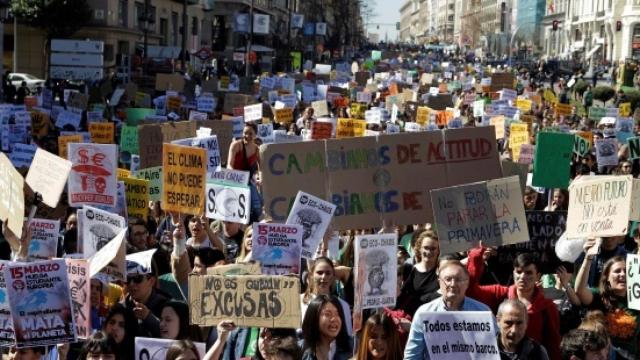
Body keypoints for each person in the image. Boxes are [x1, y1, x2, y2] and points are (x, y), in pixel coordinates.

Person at [466, 249, 561, 360]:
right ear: (513, 273)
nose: (522, 277)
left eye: (528, 272)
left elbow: (554, 343)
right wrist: (477, 258)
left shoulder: (547, 306)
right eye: (519, 272)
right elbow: (470, 291)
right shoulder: (500, 294)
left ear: (538, 276)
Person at [404, 261, 494, 359]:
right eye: (448, 279)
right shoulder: (424, 314)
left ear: (467, 283)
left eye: (458, 279)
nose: (453, 284)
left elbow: (491, 351)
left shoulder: (483, 313)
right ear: (439, 282)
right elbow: (412, 356)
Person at [575, 243, 638, 359]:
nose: (623, 274)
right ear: (607, 277)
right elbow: (580, 291)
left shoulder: (636, 298)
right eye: (617, 271)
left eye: (626, 271)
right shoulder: (599, 296)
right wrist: (588, 257)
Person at [301, 257, 353, 336]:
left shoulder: (343, 305)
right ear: (311, 275)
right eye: (319, 273)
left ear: (333, 276)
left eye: (328, 273)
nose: (324, 277)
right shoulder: (298, 301)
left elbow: (347, 336)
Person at [396, 230, 440, 317]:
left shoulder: (442, 271)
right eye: (426, 248)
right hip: (411, 318)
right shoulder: (408, 270)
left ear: (438, 250)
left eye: (433, 248)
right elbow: (402, 298)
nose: (429, 252)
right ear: (420, 248)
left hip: (434, 319)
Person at [122, 257, 168, 338]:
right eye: (128, 279)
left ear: (151, 281)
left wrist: (148, 318)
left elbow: (172, 337)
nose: (131, 284)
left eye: (137, 278)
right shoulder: (121, 307)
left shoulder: (167, 307)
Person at [228, 123, 262, 222]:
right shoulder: (236, 145)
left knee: (257, 208)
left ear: (255, 134)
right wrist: (234, 174)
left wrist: (260, 178)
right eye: (245, 133)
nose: (247, 136)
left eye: (250, 133)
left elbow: (261, 168)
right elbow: (229, 164)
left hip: (248, 182)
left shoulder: (257, 149)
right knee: (236, 210)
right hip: (234, 181)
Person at [301, 294, 352, 360]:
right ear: (314, 318)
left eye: (337, 314)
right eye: (328, 314)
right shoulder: (301, 349)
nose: (334, 319)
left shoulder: (354, 348)